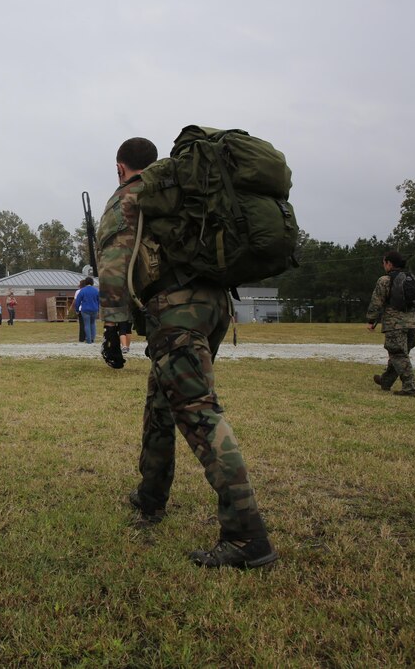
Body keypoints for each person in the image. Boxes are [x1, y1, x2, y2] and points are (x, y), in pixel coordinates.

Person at [97, 136, 277, 569]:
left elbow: (114, 259)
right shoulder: (182, 192)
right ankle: (150, 497)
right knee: (162, 402)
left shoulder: (129, 196)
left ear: (120, 166)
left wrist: (113, 323)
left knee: (198, 410)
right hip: (214, 305)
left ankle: (247, 537)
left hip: (177, 311)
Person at [366, 250, 415, 397]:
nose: (383, 266)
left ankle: (410, 387)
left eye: (384, 263)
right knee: (398, 355)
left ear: (389, 263)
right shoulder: (410, 279)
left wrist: (371, 320)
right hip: (412, 323)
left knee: (398, 355)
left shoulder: (385, 280)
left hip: (395, 325)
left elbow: (377, 302)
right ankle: (386, 381)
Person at [74, 276, 100, 344]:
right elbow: (99, 301)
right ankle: (92, 338)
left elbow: (78, 301)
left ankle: (88, 340)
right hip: (94, 309)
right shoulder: (96, 290)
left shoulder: (83, 290)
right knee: (93, 323)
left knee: (87, 324)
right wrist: (99, 309)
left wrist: (77, 309)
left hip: (85, 310)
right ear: (92, 283)